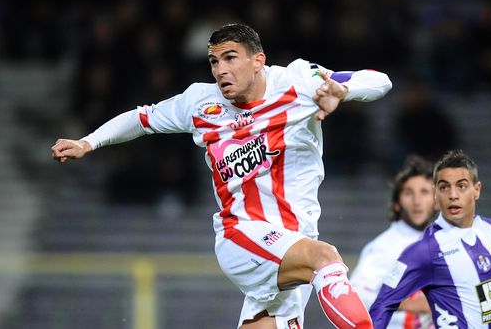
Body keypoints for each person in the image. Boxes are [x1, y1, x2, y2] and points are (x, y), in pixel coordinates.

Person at [51, 23, 392, 329]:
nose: (220, 70)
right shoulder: (201, 103)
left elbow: (379, 81)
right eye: (214, 62)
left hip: (293, 241)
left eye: (230, 58)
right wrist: (87, 142)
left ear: (258, 60)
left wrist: (341, 91)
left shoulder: (298, 81)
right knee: (326, 258)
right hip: (241, 236)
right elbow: (142, 119)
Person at [369, 150, 491, 329]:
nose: (453, 195)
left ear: (477, 190)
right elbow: (383, 304)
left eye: (461, 186)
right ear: (435, 194)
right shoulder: (425, 250)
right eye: (444, 187)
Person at [350, 155, 436, 328]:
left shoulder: (439, 242)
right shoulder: (385, 246)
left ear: (436, 202)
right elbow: (354, 296)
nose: (417, 201)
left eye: (425, 192)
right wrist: (408, 304)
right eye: (409, 193)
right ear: (397, 203)